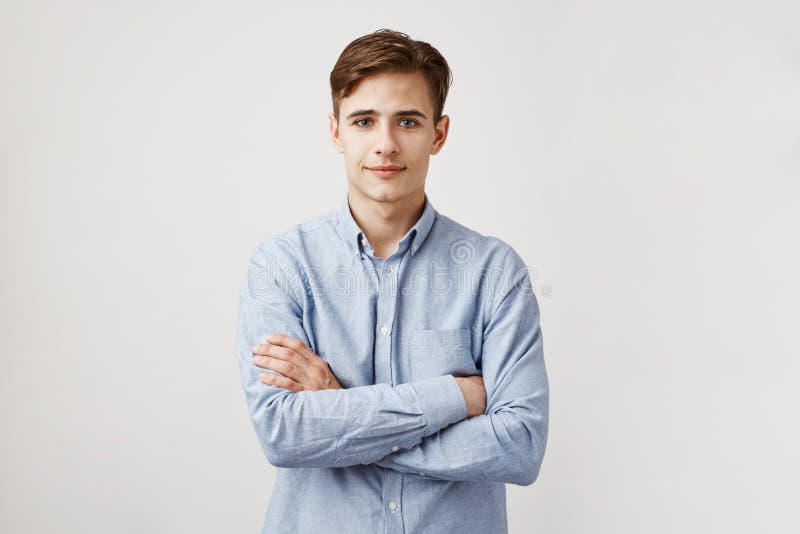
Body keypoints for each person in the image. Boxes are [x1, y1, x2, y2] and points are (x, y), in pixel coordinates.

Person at [235, 28, 549, 534]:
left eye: (407, 121)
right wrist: (455, 398)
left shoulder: (494, 272)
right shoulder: (281, 266)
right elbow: (284, 434)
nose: (385, 144)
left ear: (438, 134)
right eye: (364, 120)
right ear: (336, 131)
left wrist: (339, 412)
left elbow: (520, 445)